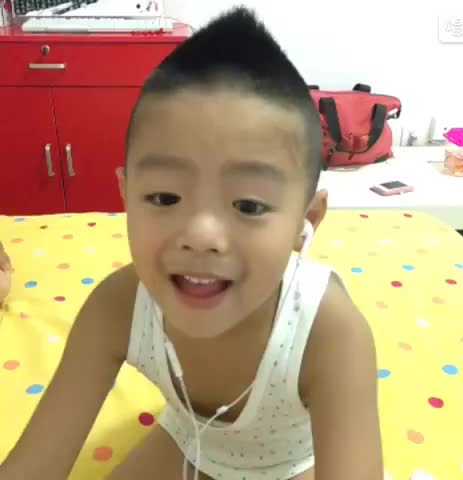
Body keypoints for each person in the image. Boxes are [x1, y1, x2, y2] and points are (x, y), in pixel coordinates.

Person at [0, 7, 382, 480]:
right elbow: (32, 467)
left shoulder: (330, 331)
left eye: (249, 205)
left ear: (306, 220)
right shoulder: (117, 307)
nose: (201, 236)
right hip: (186, 442)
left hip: (293, 463)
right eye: (164, 198)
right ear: (125, 196)